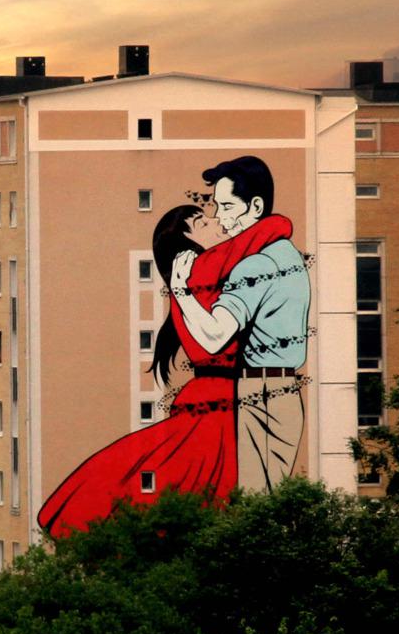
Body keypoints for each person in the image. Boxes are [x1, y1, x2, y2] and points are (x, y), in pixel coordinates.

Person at [36, 201, 286, 536]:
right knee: (217, 490)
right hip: (221, 398)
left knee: (202, 486)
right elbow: (275, 228)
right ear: (188, 242)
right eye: (201, 221)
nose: (214, 222)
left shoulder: (198, 275)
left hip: (218, 394)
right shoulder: (204, 271)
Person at [166, 156, 310, 493]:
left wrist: (181, 290)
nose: (220, 218)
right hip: (283, 390)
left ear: (255, 206)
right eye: (216, 206)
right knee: (271, 498)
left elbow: (215, 335)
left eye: (228, 206)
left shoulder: (255, 265)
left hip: (260, 391)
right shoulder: (286, 253)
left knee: (255, 501)